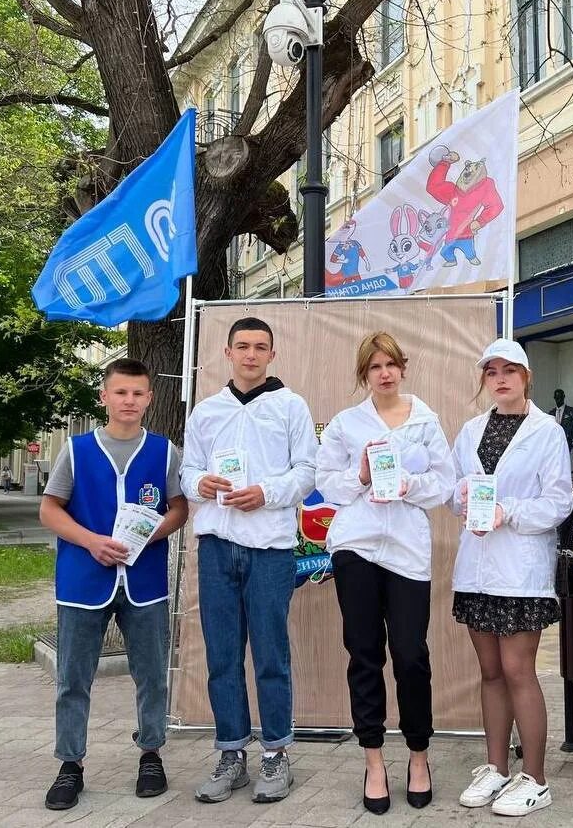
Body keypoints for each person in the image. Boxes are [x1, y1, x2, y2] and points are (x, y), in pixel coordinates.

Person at [38, 358, 188, 811]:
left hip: (144, 581)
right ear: (104, 397)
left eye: (138, 393)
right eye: (120, 392)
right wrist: (90, 542)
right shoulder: (77, 449)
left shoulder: (164, 451)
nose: (129, 401)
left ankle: (151, 753)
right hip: (84, 580)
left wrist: (151, 532)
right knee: (73, 678)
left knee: (150, 674)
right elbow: (49, 510)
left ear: (149, 399)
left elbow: (179, 508)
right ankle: (70, 764)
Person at [315, 331, 454, 814]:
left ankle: (419, 756)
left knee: (411, 654)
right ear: (364, 374)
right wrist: (361, 476)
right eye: (375, 367)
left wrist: (408, 484)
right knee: (364, 651)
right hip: (355, 545)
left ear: (403, 367)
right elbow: (324, 481)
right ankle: (374, 760)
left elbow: (444, 483)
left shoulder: (425, 420)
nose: (385, 373)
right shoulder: (346, 424)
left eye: (391, 364)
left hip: (408, 551)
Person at [181, 317, 318, 806]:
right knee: (221, 657)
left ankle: (277, 753)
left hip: (270, 548)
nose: (251, 355)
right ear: (227, 352)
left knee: (270, 656)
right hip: (217, 545)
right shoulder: (207, 411)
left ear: (272, 355)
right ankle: (231, 753)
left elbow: (307, 471)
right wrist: (202, 484)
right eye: (243, 346)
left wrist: (268, 492)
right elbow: (187, 470)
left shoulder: (289, 406)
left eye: (261, 347)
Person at [450, 339, 572, 817]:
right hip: (477, 567)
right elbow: (455, 493)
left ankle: (536, 778)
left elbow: (558, 501)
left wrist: (508, 512)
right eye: (491, 372)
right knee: (490, 672)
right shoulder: (469, 430)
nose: (500, 379)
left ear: (526, 376)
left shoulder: (546, 432)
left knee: (519, 670)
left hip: (520, 570)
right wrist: (462, 497)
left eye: (510, 371)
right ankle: (496, 767)